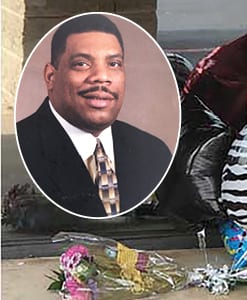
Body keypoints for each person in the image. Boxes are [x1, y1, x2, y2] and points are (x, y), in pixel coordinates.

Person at [16, 14, 172, 218]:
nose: (102, 77)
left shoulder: (153, 151)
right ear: (51, 77)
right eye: (82, 64)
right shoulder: (27, 149)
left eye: (114, 64)